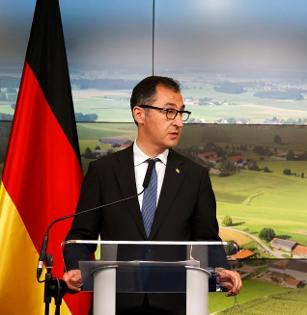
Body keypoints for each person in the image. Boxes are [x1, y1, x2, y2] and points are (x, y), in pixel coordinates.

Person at [63, 76, 242, 314]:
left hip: (174, 305)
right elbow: (81, 236)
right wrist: (76, 268)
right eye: (169, 112)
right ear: (140, 114)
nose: (178, 122)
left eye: (181, 113)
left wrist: (220, 268)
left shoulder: (194, 176)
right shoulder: (103, 172)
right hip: (114, 303)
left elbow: (206, 239)